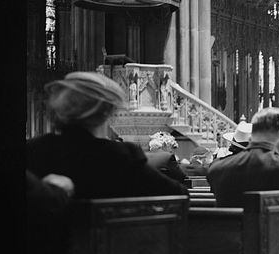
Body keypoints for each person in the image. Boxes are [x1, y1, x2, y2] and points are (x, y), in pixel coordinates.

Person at [26, 71, 187, 198]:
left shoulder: (34, 150)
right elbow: (178, 194)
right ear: (106, 112)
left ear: (60, 109)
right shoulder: (120, 156)